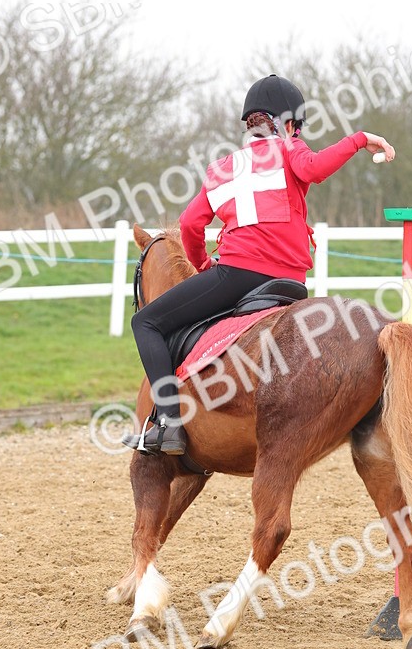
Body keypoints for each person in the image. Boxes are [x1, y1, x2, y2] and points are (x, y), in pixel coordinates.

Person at [124, 74, 395, 455]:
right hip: (293, 283)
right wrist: (359, 139)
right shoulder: (291, 149)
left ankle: (168, 423)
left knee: (146, 323)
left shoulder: (224, 167)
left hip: (238, 276)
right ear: (289, 122)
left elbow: (190, 225)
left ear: (249, 122)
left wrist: (203, 264)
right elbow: (315, 169)